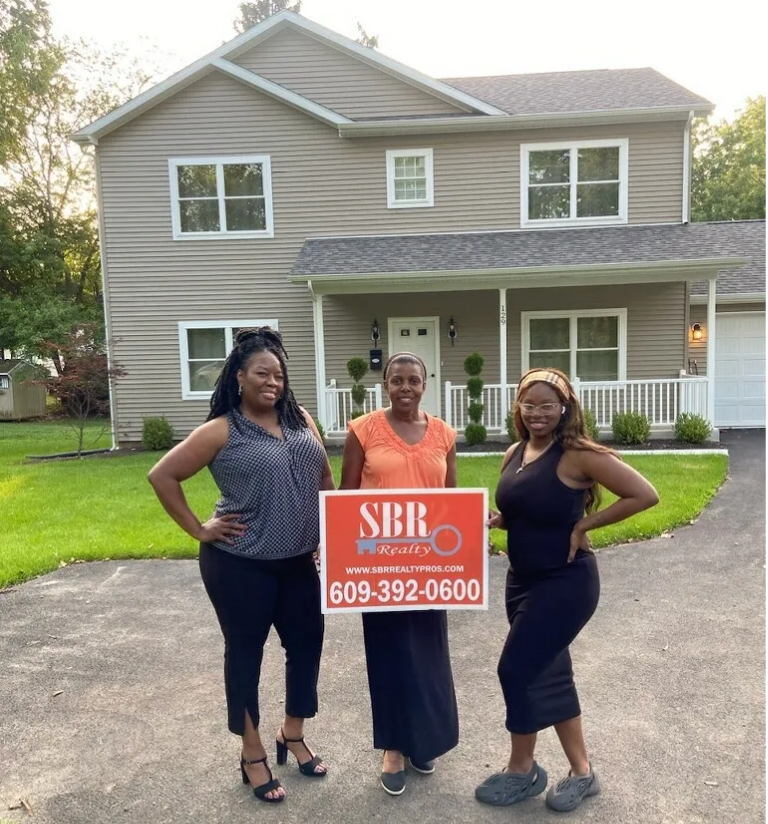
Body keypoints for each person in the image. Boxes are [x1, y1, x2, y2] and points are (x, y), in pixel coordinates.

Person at [148, 328, 335, 805]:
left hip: (297, 562)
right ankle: (251, 753)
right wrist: (199, 528)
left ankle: (291, 732)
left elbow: (325, 477)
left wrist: (333, 534)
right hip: (240, 564)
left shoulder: (301, 421)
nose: (272, 382)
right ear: (239, 377)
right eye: (261, 373)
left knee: (308, 645)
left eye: (279, 374)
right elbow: (162, 474)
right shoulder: (221, 430)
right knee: (246, 654)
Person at [476, 368, 659, 813]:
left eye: (547, 405)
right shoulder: (516, 453)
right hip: (522, 582)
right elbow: (521, 506)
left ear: (565, 408)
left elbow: (645, 494)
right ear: (518, 408)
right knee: (549, 673)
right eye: (529, 404)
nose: (537, 413)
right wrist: (502, 520)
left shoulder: (577, 453)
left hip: (565, 582)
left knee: (515, 670)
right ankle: (583, 772)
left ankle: (522, 771)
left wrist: (585, 524)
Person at [340, 352, 460, 797]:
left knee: (428, 654)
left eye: (413, 380)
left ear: (425, 384)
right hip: (379, 562)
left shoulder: (445, 434)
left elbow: (452, 498)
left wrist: (471, 526)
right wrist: (335, 553)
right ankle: (393, 746)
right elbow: (345, 498)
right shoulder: (363, 430)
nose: (405, 388)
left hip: (429, 563)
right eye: (396, 380)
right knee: (390, 652)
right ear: (385, 384)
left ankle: (423, 740)